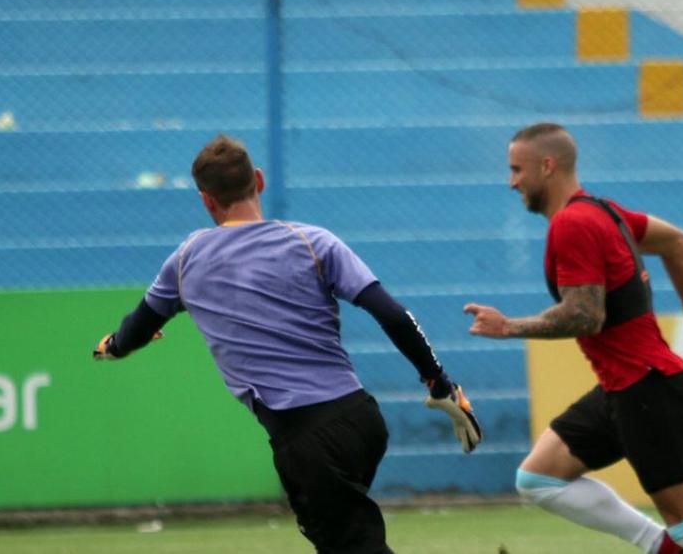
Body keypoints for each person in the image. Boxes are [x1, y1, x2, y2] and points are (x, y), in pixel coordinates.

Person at [93, 134, 482, 554]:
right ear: (258, 180)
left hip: (307, 438)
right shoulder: (313, 241)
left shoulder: (187, 260)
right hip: (361, 421)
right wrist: (438, 381)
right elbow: (392, 314)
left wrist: (114, 345)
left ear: (206, 201)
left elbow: (136, 328)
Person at [464, 123, 683, 553]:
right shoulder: (606, 212)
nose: (512, 183)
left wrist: (509, 326)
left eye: (517, 170)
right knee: (538, 477)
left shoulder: (573, 224)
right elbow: (680, 243)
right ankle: (659, 546)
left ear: (547, 166)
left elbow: (585, 315)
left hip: (646, 387)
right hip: (626, 386)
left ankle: (670, 543)